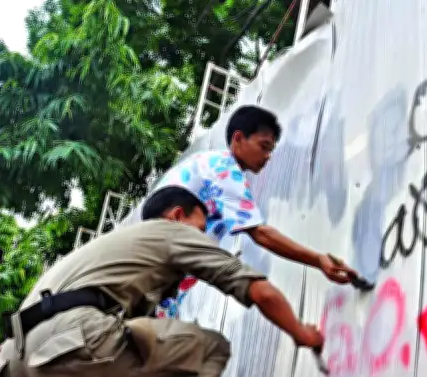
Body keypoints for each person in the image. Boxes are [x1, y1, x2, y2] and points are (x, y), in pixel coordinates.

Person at [0, 187, 324, 377]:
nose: (203, 237)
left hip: (18, 372)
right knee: (211, 349)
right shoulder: (170, 233)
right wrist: (301, 333)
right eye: (201, 229)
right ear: (177, 215)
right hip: (74, 346)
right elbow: (258, 290)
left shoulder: (115, 250)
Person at [149, 105, 361, 319]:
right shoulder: (225, 170)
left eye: (271, 150)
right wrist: (318, 260)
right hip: (160, 275)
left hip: (160, 276)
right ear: (238, 138)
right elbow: (261, 233)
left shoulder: (207, 164)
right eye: (264, 146)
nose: (268, 156)